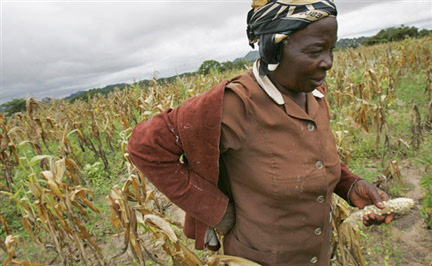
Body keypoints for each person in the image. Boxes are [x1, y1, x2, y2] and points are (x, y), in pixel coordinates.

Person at [128, 0, 394, 265]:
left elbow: (311, 155)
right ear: (272, 50)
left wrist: (350, 186)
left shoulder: (313, 94)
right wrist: (218, 212)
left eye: (330, 50)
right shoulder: (235, 104)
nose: (328, 63)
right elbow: (144, 147)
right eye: (315, 51)